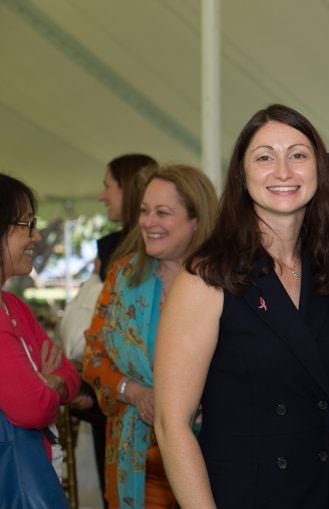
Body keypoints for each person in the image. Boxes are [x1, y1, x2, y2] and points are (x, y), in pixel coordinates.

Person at [153, 104, 329, 508]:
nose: (283, 171)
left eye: (298, 154)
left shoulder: (328, 270)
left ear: (318, 169)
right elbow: (172, 425)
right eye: (264, 157)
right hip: (241, 492)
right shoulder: (207, 275)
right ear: (241, 175)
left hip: (321, 490)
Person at [83, 164, 217, 509]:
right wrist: (136, 391)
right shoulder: (122, 275)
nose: (147, 222)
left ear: (196, 220)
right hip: (135, 460)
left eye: (162, 212)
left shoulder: (224, 282)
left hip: (213, 454)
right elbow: (95, 356)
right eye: (144, 211)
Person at [60, 153, 157, 506]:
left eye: (107, 186)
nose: (102, 196)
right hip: (120, 407)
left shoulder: (114, 252)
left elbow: (77, 339)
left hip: (117, 412)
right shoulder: (119, 257)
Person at [0, 173, 80, 504]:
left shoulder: (13, 305)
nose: (36, 235)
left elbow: (70, 377)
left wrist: (52, 383)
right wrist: (51, 387)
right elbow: (31, 409)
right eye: (27, 224)